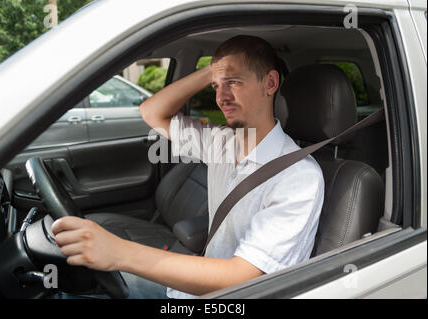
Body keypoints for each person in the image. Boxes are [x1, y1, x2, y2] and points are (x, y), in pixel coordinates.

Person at [51, 35, 324, 299]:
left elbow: (243, 278)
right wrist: (210, 72)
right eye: (217, 86)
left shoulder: (298, 176)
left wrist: (119, 252)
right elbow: (152, 113)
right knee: (74, 285)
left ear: (270, 83)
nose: (221, 97)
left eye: (233, 82)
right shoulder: (221, 142)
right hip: (196, 285)